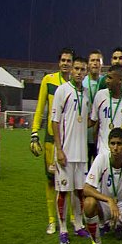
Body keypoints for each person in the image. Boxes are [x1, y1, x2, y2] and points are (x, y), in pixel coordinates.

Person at [30, 47, 74, 234]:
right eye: (63, 60)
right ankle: (51, 220)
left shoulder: (77, 84)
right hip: (50, 139)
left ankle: (72, 218)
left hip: (70, 140)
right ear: (59, 62)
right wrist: (34, 132)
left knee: (70, 181)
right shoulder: (48, 80)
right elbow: (40, 108)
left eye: (68, 60)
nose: (65, 63)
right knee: (50, 180)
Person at [51, 56, 93, 244]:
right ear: (72, 70)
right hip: (65, 153)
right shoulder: (62, 90)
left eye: (82, 69)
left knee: (79, 191)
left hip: (81, 153)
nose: (78, 72)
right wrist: (59, 149)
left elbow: (87, 120)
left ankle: (78, 224)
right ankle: (63, 229)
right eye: (76, 68)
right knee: (63, 192)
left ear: (86, 72)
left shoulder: (87, 94)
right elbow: (55, 121)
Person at [89, 65, 122, 156]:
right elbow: (94, 122)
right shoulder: (100, 95)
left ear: (120, 80)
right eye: (107, 77)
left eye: (110, 78)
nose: (106, 80)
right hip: (103, 152)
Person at [83, 49, 104, 164]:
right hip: (84, 134)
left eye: (98, 60)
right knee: (83, 169)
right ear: (88, 64)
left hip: (100, 136)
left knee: (99, 169)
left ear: (102, 64)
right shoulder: (82, 82)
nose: (95, 63)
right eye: (92, 60)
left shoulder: (105, 82)